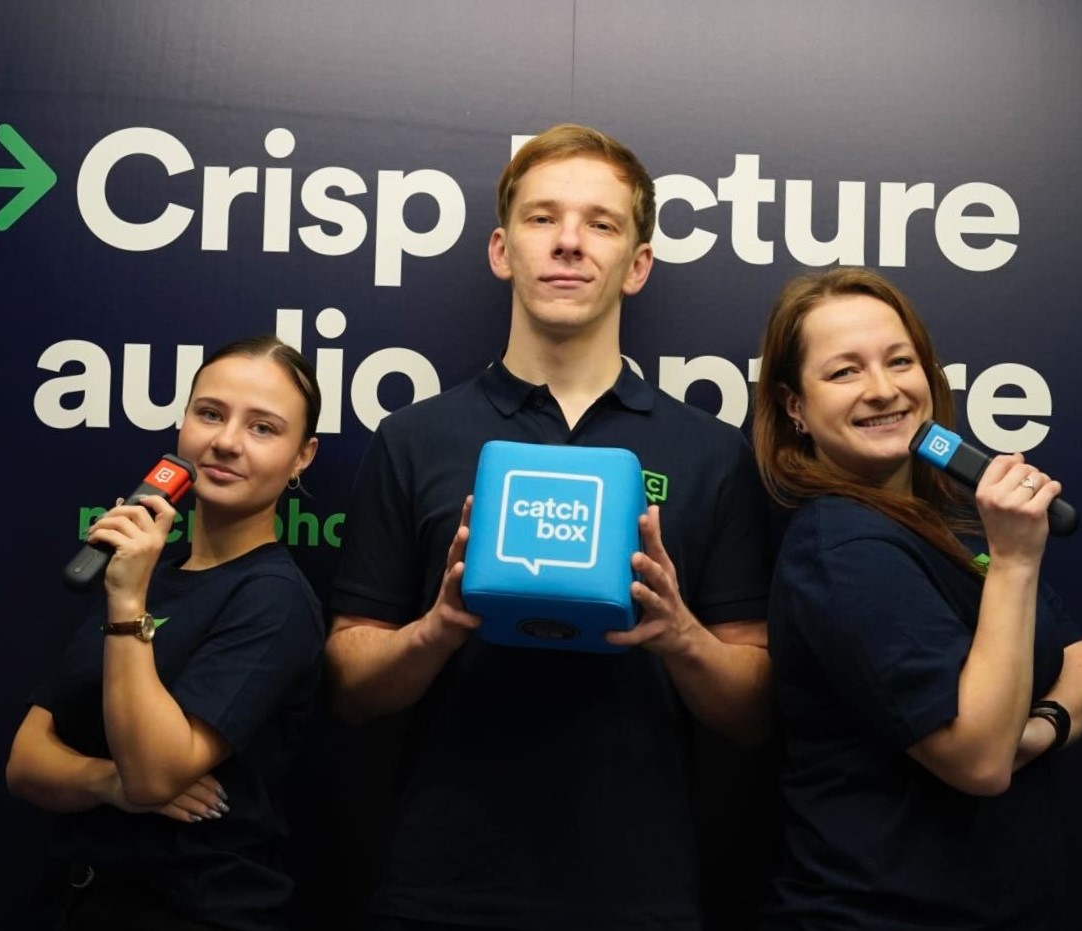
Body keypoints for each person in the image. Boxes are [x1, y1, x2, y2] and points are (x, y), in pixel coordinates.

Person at [326, 123, 775, 931]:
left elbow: (751, 706)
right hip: (439, 889)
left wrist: (678, 633)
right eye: (542, 218)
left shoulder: (710, 452)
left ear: (636, 265)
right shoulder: (414, 438)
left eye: (601, 223)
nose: (568, 242)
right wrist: (437, 627)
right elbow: (350, 685)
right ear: (501, 250)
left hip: (638, 894)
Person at [750, 267, 1082, 930]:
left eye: (899, 360)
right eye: (843, 372)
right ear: (793, 405)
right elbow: (977, 759)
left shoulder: (949, 519)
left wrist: (1031, 730)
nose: (884, 389)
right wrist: (1013, 561)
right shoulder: (842, 546)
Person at [6, 335, 326, 931]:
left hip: (196, 909)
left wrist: (126, 602)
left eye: (263, 428)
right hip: (76, 901)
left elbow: (155, 774)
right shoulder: (149, 568)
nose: (225, 442)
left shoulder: (274, 599)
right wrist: (107, 783)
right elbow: (25, 762)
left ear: (301, 457)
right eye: (210, 414)